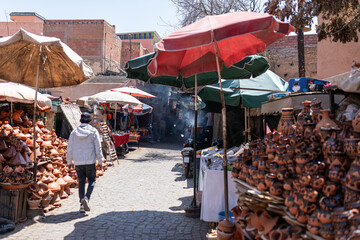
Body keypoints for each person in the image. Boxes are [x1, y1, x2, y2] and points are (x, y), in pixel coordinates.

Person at [67, 112, 104, 213]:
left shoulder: (74, 132)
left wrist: (69, 161)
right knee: (92, 180)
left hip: (78, 162)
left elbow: (69, 147)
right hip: (90, 161)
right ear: (89, 121)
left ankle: (81, 205)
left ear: (81, 120)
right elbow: (98, 147)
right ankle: (86, 198)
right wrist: (100, 161)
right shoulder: (93, 131)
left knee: (81, 181)